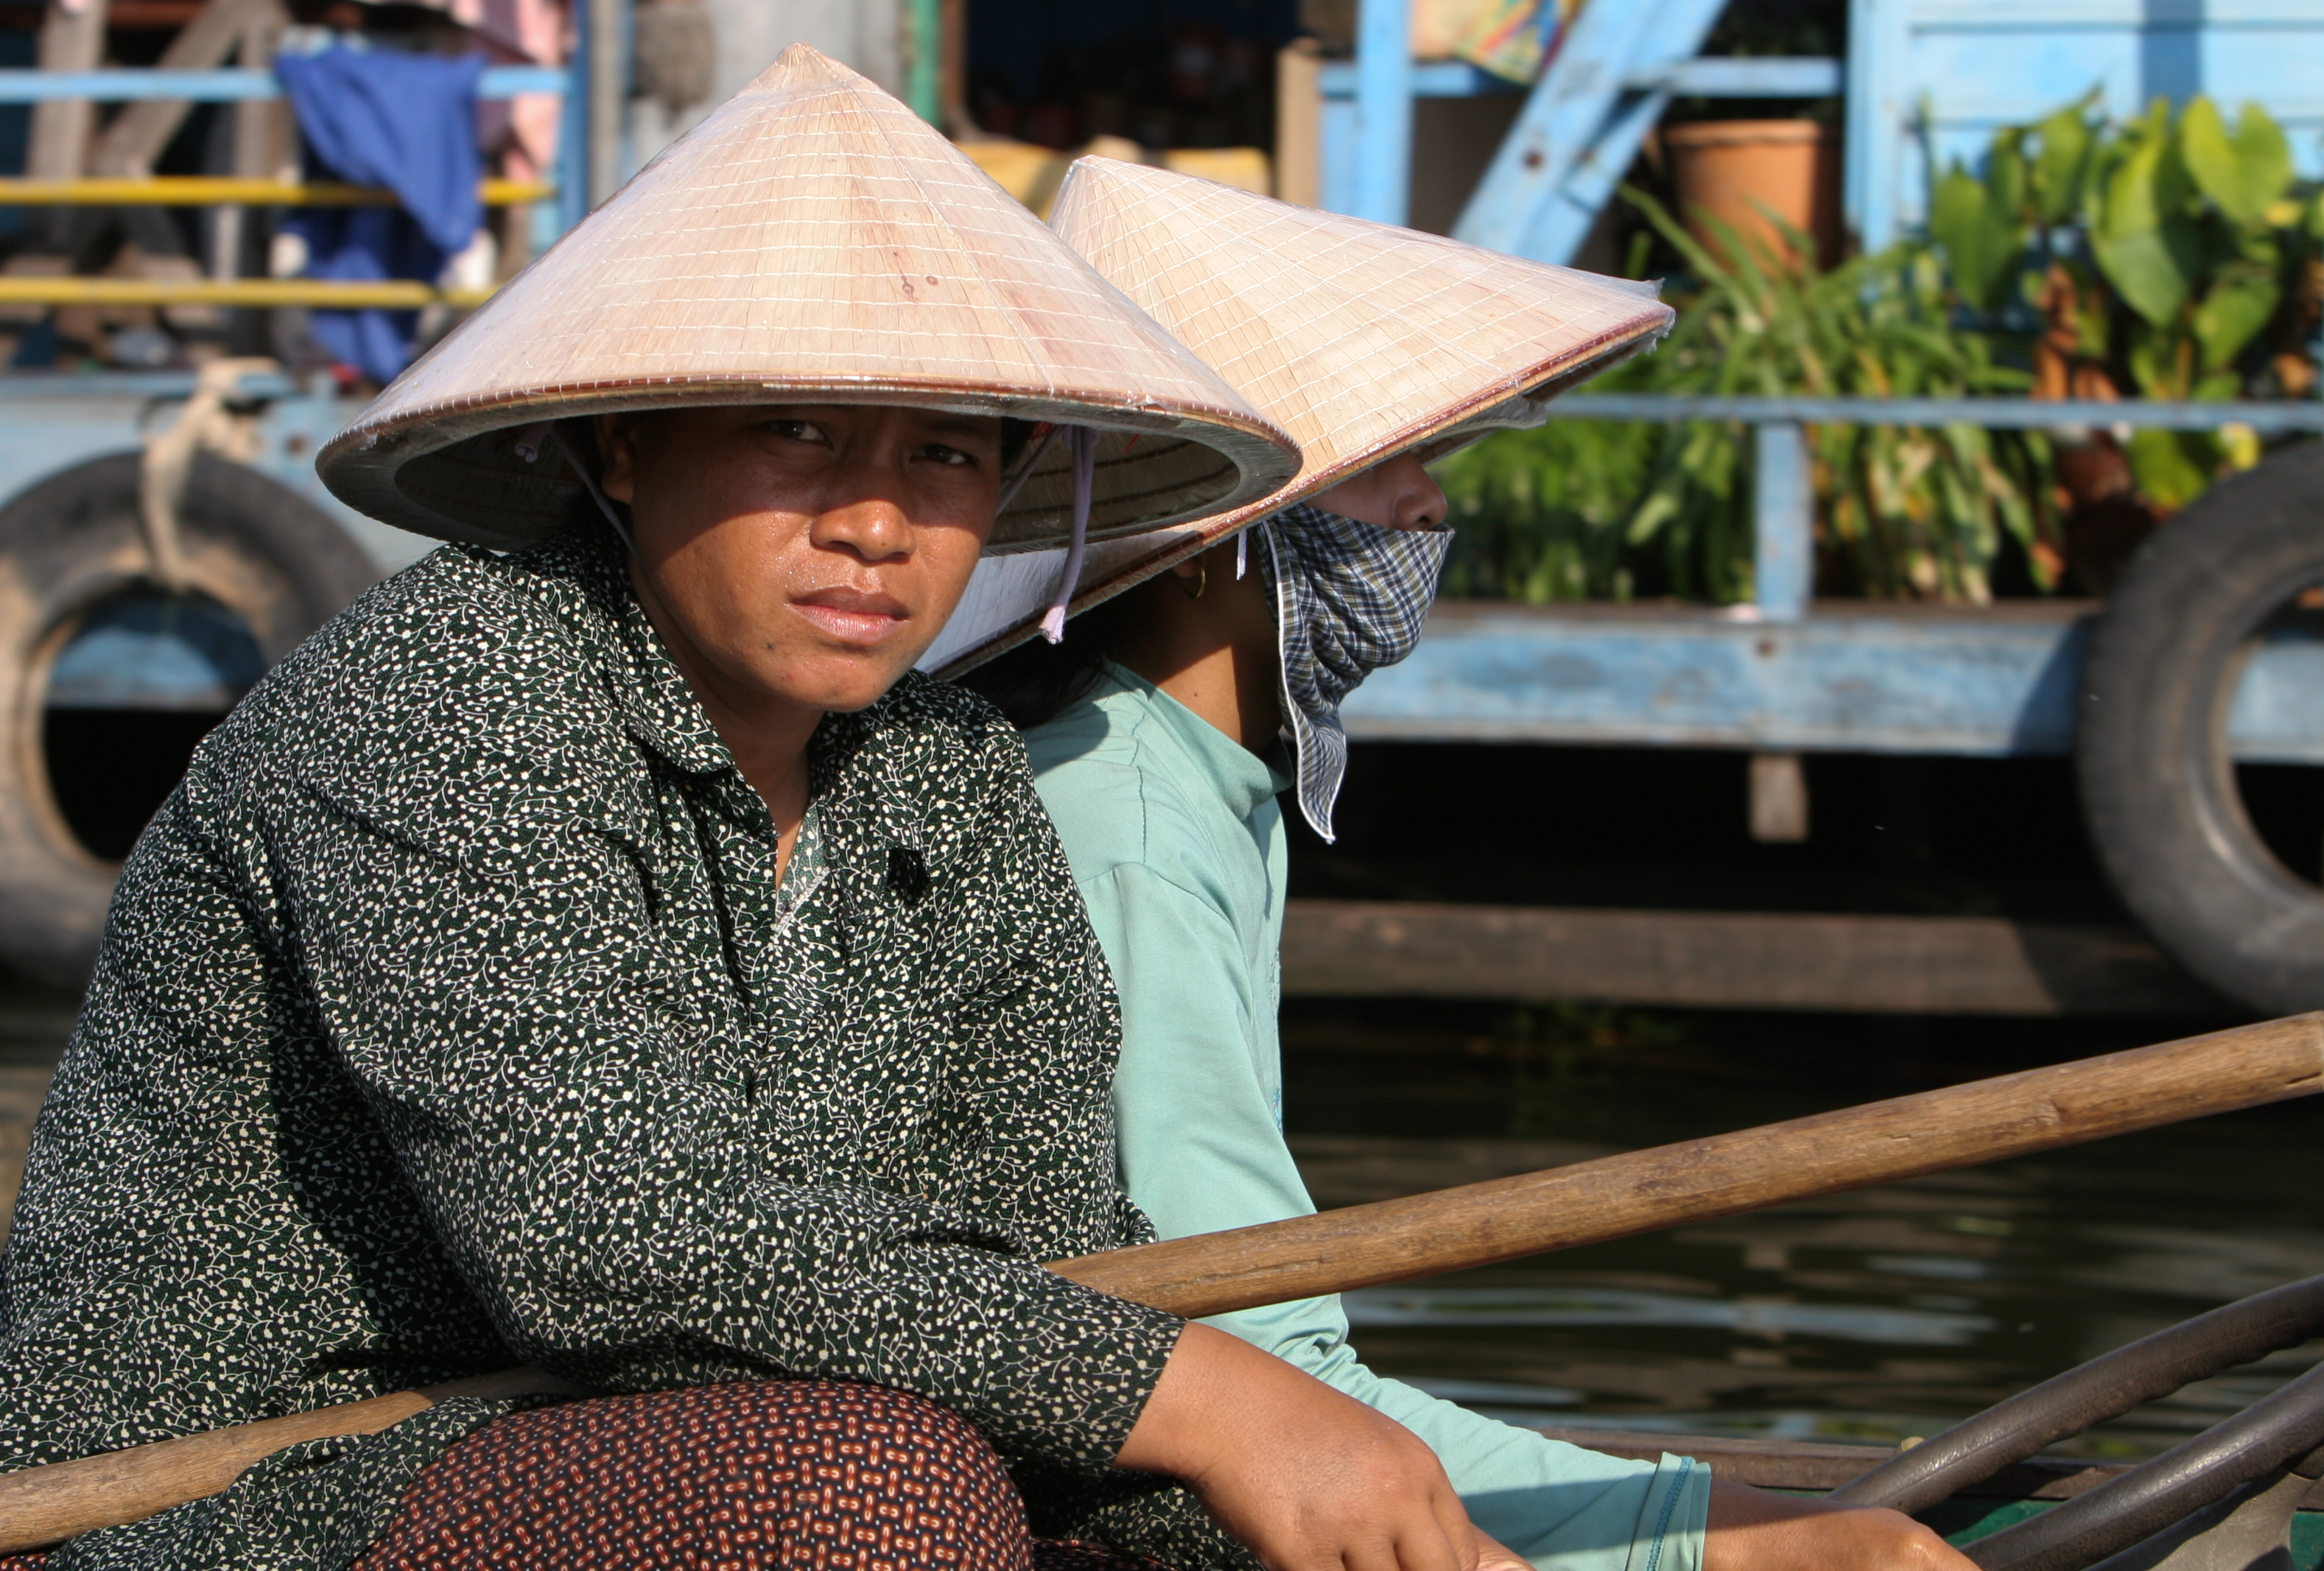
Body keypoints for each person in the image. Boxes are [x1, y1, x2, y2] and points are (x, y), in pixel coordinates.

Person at [0, 52, 1549, 1571]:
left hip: (677, 1439)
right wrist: (1206, 1395)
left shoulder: (949, 779)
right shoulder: (449, 685)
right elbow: (609, 1232)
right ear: (624, 441)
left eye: (943, 455)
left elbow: (1040, 1263)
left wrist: (1318, 1495)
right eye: (797, 433)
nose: (874, 523)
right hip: (238, 1482)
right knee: (874, 1489)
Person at [957, 158, 1985, 1571]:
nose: (1432, 510)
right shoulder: (1127, 826)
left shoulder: (1203, 783)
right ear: (1215, 530)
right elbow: (1269, 1372)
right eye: (1390, 466)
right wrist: (1721, 1539)